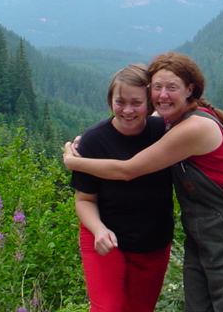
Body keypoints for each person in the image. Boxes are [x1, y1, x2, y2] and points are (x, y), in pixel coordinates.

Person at [64, 52, 223, 312]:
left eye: (172, 87)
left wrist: (74, 161)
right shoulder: (167, 122)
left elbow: (128, 170)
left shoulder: (189, 127)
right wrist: (87, 143)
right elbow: (130, 122)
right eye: (157, 87)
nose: (163, 95)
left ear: (190, 89)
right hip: (202, 235)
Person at [71, 64, 173, 312]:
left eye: (136, 102)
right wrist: (99, 230)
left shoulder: (165, 132)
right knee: (108, 308)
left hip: (152, 242)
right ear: (110, 102)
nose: (127, 110)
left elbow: (203, 142)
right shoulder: (94, 141)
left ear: (149, 104)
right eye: (120, 102)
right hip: (105, 238)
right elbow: (84, 200)